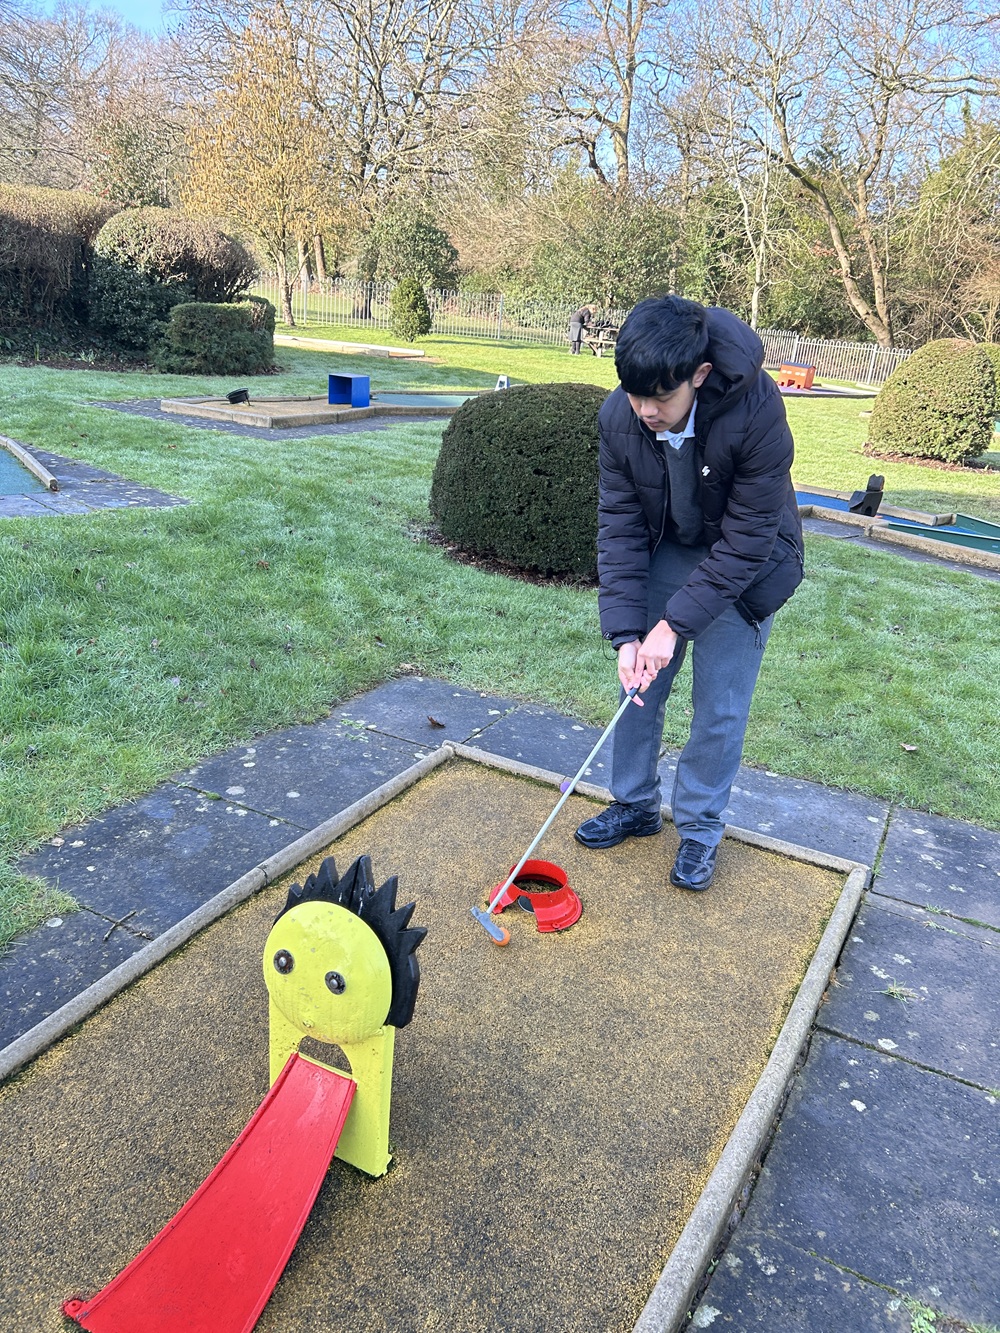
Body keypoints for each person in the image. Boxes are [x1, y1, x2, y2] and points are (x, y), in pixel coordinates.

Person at [575, 295, 804, 891]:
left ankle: (700, 829)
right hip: (671, 545)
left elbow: (749, 540)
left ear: (699, 376)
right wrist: (629, 634)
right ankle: (634, 804)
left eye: (661, 398)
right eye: (634, 394)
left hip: (746, 561)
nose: (645, 410)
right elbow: (620, 526)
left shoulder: (757, 411)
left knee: (719, 706)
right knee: (638, 682)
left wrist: (672, 627)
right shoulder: (619, 417)